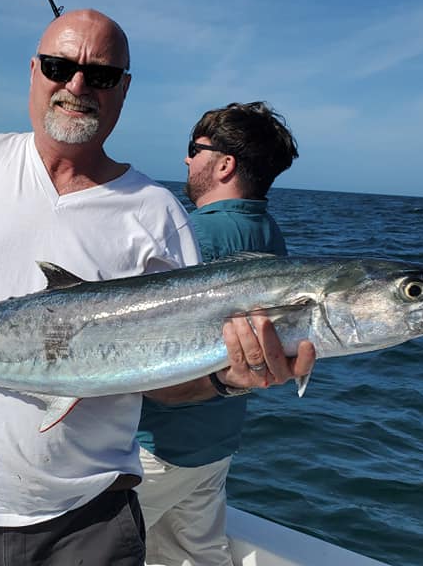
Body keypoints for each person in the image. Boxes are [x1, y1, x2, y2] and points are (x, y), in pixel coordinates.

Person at [0, 11, 315, 566]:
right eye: (59, 66)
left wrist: (225, 381)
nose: (77, 85)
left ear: (123, 90)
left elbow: (165, 385)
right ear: (34, 71)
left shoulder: (156, 213)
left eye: (100, 76)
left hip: (90, 518)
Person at [137, 102, 300, 566]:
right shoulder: (269, 236)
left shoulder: (188, 235)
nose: (187, 161)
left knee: (89, 549)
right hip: (216, 443)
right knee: (196, 556)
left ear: (224, 164)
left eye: (195, 150)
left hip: (154, 446)